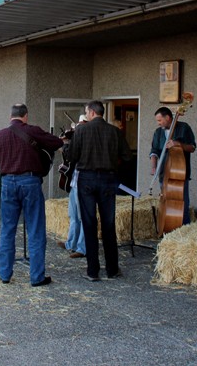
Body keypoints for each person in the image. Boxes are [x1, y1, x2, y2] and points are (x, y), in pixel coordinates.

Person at [0, 103, 63, 287]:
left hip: (7, 184)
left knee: (8, 229)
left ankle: (5, 274)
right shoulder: (33, 131)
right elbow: (57, 143)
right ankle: (36, 277)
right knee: (35, 229)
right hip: (30, 182)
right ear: (25, 116)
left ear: (11, 116)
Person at [69, 100, 131, 282]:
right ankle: (112, 269)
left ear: (91, 112)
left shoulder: (81, 130)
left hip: (86, 178)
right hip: (108, 178)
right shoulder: (114, 132)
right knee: (108, 225)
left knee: (89, 224)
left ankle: (92, 271)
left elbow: (72, 156)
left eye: (87, 112)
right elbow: (127, 157)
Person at [149, 106, 196, 224]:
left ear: (168, 118)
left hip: (180, 174)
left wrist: (178, 144)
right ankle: (167, 227)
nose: (158, 123)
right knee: (165, 202)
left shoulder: (184, 128)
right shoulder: (158, 132)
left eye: (160, 120)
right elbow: (154, 151)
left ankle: (184, 228)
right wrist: (154, 166)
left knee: (182, 203)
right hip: (163, 174)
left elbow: (192, 147)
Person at [58, 115, 86, 259]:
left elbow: (73, 155)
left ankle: (82, 248)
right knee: (74, 216)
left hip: (83, 184)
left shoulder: (86, 141)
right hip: (75, 182)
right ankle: (71, 243)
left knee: (82, 216)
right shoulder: (77, 139)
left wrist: (66, 144)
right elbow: (69, 159)